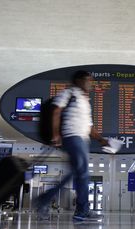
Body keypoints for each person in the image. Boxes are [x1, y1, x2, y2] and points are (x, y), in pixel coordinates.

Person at [37, 70, 109, 221]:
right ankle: (82, 211)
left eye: (91, 80)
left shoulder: (85, 101)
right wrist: (56, 134)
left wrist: (102, 140)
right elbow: (56, 111)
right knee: (83, 173)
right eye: (87, 80)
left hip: (82, 139)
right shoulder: (69, 93)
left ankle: (44, 199)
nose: (90, 83)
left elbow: (89, 127)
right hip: (72, 136)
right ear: (78, 80)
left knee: (75, 173)